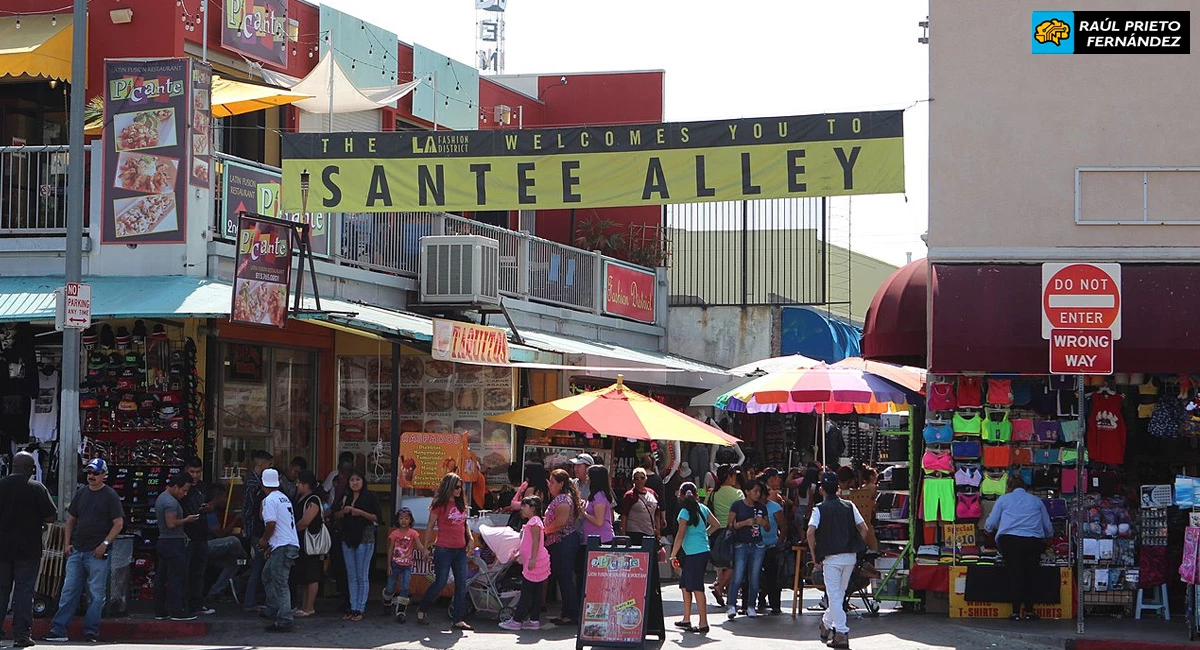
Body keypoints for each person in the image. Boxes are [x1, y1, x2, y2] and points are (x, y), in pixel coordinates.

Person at [45, 459, 125, 644]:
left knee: (96, 594)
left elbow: (118, 523)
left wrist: (104, 544)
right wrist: (67, 544)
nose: (91, 476)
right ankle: (58, 630)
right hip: (77, 550)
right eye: (89, 473)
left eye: (95, 473)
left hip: (97, 552)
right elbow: (71, 519)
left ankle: (91, 632)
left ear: (103, 474)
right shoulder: (81, 493)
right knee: (69, 591)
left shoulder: (110, 495)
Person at [0, 451, 56, 648]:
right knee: (24, 592)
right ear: (28, 468)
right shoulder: (36, 488)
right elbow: (51, 516)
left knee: (1, 590)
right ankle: (21, 635)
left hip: (2, 550)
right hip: (28, 550)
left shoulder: (1, 485)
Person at [807, 471, 869, 650]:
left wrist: (813, 554)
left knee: (834, 595)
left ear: (821, 490)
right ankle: (826, 624)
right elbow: (863, 529)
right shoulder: (849, 506)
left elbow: (810, 532)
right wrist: (857, 544)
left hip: (831, 558)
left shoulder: (819, 509)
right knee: (838, 595)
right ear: (838, 487)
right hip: (849, 556)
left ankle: (841, 632)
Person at [983, 472, 1054, 622]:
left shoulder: (1003, 500)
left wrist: (987, 531)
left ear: (1009, 487)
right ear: (1025, 487)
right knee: (1030, 575)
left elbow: (991, 522)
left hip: (1009, 542)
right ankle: (1029, 611)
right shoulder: (1036, 501)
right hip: (1033, 542)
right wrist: (1048, 538)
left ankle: (1015, 612)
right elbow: (1048, 526)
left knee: (1015, 574)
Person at [417, 473, 473, 630]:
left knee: (461, 583)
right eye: (456, 487)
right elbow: (429, 526)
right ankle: (422, 608)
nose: (459, 490)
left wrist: (470, 538)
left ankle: (458, 619)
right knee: (440, 582)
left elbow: (464, 523)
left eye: (460, 487)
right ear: (448, 487)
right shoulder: (439, 504)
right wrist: (425, 548)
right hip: (443, 549)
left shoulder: (460, 502)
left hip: (460, 549)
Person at [669, 482, 718, 634]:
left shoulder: (684, 512)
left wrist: (673, 554)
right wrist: (704, 535)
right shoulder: (703, 508)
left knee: (696, 587)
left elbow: (680, 534)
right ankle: (686, 618)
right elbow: (716, 524)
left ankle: (703, 623)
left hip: (694, 553)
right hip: (700, 551)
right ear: (697, 494)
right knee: (685, 584)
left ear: (681, 496)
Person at [332, 469, 380, 621]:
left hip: (365, 538)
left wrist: (360, 512)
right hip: (347, 538)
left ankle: (361, 608)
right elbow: (334, 514)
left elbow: (377, 517)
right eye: (352, 480)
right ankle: (353, 607)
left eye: (357, 480)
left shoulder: (370, 497)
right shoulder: (345, 496)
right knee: (351, 575)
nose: (354, 483)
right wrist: (343, 511)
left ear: (363, 481)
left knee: (362, 575)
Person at [499, 496, 551, 631]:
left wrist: (532, 559)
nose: (522, 508)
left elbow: (536, 542)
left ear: (532, 508)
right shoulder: (534, 522)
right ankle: (534, 619)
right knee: (536, 592)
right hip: (536, 561)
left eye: (524, 506)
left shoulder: (534, 522)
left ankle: (516, 620)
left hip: (534, 562)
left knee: (526, 592)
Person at [155, 473, 200, 621]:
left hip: (164, 541)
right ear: (175, 487)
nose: (184, 493)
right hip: (173, 541)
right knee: (176, 577)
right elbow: (171, 523)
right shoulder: (170, 503)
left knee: (162, 577)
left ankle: (161, 610)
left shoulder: (162, 498)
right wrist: (187, 520)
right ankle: (177, 610)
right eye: (183, 490)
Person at [259, 468, 300, 632]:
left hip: (282, 546)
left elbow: (271, 524)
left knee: (280, 583)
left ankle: (284, 619)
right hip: (286, 544)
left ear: (263, 484)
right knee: (267, 576)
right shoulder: (284, 498)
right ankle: (273, 608)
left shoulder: (269, 500)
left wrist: (264, 541)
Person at [543, 468, 582, 626]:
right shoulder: (559, 499)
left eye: (553, 482)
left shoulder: (564, 500)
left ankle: (571, 614)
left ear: (561, 484)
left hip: (563, 542)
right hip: (558, 543)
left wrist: (542, 530)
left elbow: (560, 523)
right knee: (561, 577)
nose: (550, 485)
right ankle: (566, 612)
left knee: (565, 578)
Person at [726, 479, 768, 619]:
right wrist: (744, 523)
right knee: (737, 575)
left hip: (757, 544)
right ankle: (731, 604)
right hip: (741, 544)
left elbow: (768, 527)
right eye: (755, 491)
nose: (757, 494)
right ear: (747, 491)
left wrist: (762, 522)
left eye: (759, 491)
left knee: (754, 577)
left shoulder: (761, 507)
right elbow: (730, 525)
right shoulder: (737, 505)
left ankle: (751, 605)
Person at [182, 457, 216, 616]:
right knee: (186, 572)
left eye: (198, 472)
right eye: (192, 472)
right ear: (186, 470)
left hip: (202, 534)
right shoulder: (181, 487)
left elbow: (211, 504)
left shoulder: (204, 487)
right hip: (186, 536)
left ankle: (197, 603)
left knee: (199, 572)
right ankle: (184, 604)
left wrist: (209, 507)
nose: (195, 475)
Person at [242, 449, 274, 611]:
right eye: (269, 465)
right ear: (261, 465)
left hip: (255, 530)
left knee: (258, 566)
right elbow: (253, 511)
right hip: (256, 531)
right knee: (258, 568)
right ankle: (250, 601)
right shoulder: (254, 485)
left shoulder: (256, 482)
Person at [324, 452, 355, 612]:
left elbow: (340, 510)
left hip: (346, 533)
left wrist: (333, 513)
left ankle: (350, 600)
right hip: (338, 531)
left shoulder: (349, 489)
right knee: (340, 566)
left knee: (345, 568)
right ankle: (347, 598)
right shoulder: (342, 485)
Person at [708, 464, 743, 607]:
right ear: (729, 476)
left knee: (722, 563)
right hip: (731, 532)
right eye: (734, 475)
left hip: (716, 533)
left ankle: (722, 586)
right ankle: (720, 586)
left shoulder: (713, 493)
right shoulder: (738, 494)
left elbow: (706, 510)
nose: (735, 478)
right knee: (733, 563)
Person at [291, 471, 325, 618]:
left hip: (310, 542)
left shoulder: (313, 499)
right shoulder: (299, 498)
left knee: (311, 575)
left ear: (306, 484)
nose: (297, 485)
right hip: (300, 541)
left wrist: (290, 530)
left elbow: (306, 521)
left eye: (299, 482)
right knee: (303, 575)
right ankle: (303, 605)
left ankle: (309, 606)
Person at [383, 507, 425, 618]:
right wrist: (388, 566)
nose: (403, 521)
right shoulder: (394, 534)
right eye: (401, 518)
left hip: (407, 565)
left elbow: (420, 546)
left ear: (410, 520)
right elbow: (390, 549)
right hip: (395, 564)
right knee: (390, 587)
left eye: (406, 518)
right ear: (398, 520)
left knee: (405, 587)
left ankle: (401, 611)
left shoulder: (413, 533)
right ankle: (387, 600)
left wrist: (426, 553)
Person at [757, 473, 788, 615]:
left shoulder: (774, 507)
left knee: (773, 576)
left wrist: (779, 542)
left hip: (771, 546)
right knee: (757, 575)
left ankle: (775, 604)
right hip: (756, 546)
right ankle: (760, 600)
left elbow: (784, 526)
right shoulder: (753, 506)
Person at [619, 467, 663, 546]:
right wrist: (623, 533)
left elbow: (657, 512)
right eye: (636, 478)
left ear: (646, 478)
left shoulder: (652, 493)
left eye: (642, 478)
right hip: (634, 533)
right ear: (633, 480)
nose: (639, 481)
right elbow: (624, 515)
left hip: (650, 532)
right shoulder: (629, 495)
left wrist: (658, 530)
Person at [580, 464, 616, 544]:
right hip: (593, 539)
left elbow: (599, 521)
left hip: (602, 539)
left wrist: (584, 513)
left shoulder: (599, 496)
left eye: (588, 476)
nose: (587, 478)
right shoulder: (595, 495)